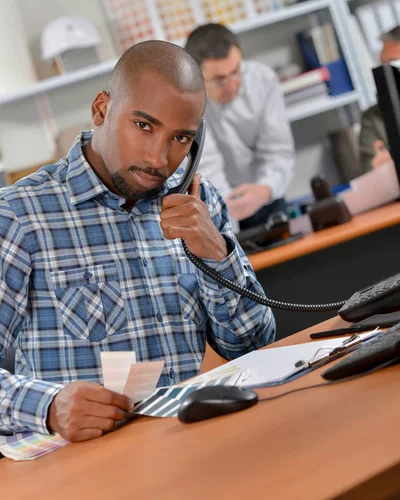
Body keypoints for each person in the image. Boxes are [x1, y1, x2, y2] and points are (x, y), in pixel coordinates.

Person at [0, 41, 275, 443]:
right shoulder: (20, 216)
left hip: (189, 444)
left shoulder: (198, 203)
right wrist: (48, 406)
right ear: (101, 110)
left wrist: (218, 256)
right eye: (144, 125)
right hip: (79, 466)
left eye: (181, 138)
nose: (159, 158)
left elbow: (252, 346)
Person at [184, 23, 294, 230]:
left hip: (266, 194)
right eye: (219, 79)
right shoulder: (185, 101)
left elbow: (278, 151)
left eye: (236, 71)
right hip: (216, 207)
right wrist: (228, 218)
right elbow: (207, 166)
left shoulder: (261, 79)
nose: (232, 84)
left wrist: (265, 189)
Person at [359, 26, 400, 173]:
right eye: (384, 66)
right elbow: (370, 171)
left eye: (395, 63)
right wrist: (383, 174)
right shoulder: (373, 118)